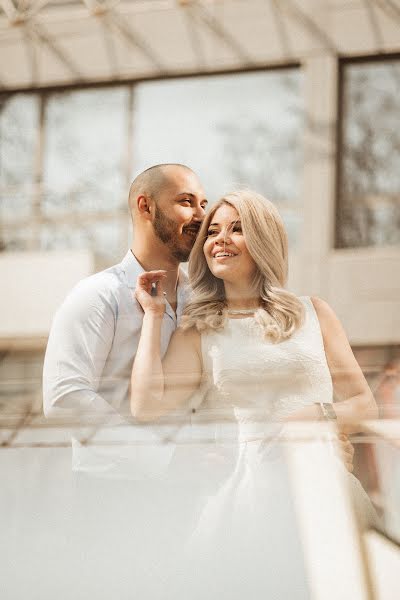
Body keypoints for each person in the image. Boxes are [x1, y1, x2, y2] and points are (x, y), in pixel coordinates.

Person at [131, 189, 378, 598]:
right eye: (213, 231)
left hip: (324, 488)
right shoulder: (199, 329)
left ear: (263, 239)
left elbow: (364, 404)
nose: (220, 239)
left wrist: (317, 415)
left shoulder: (314, 312)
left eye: (237, 229)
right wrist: (154, 317)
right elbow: (145, 405)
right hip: (250, 499)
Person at [43, 163, 208, 419]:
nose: (201, 216)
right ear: (146, 206)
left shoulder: (201, 301)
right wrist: (145, 447)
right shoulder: (97, 294)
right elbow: (63, 397)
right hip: (123, 457)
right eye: (187, 202)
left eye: (204, 205)